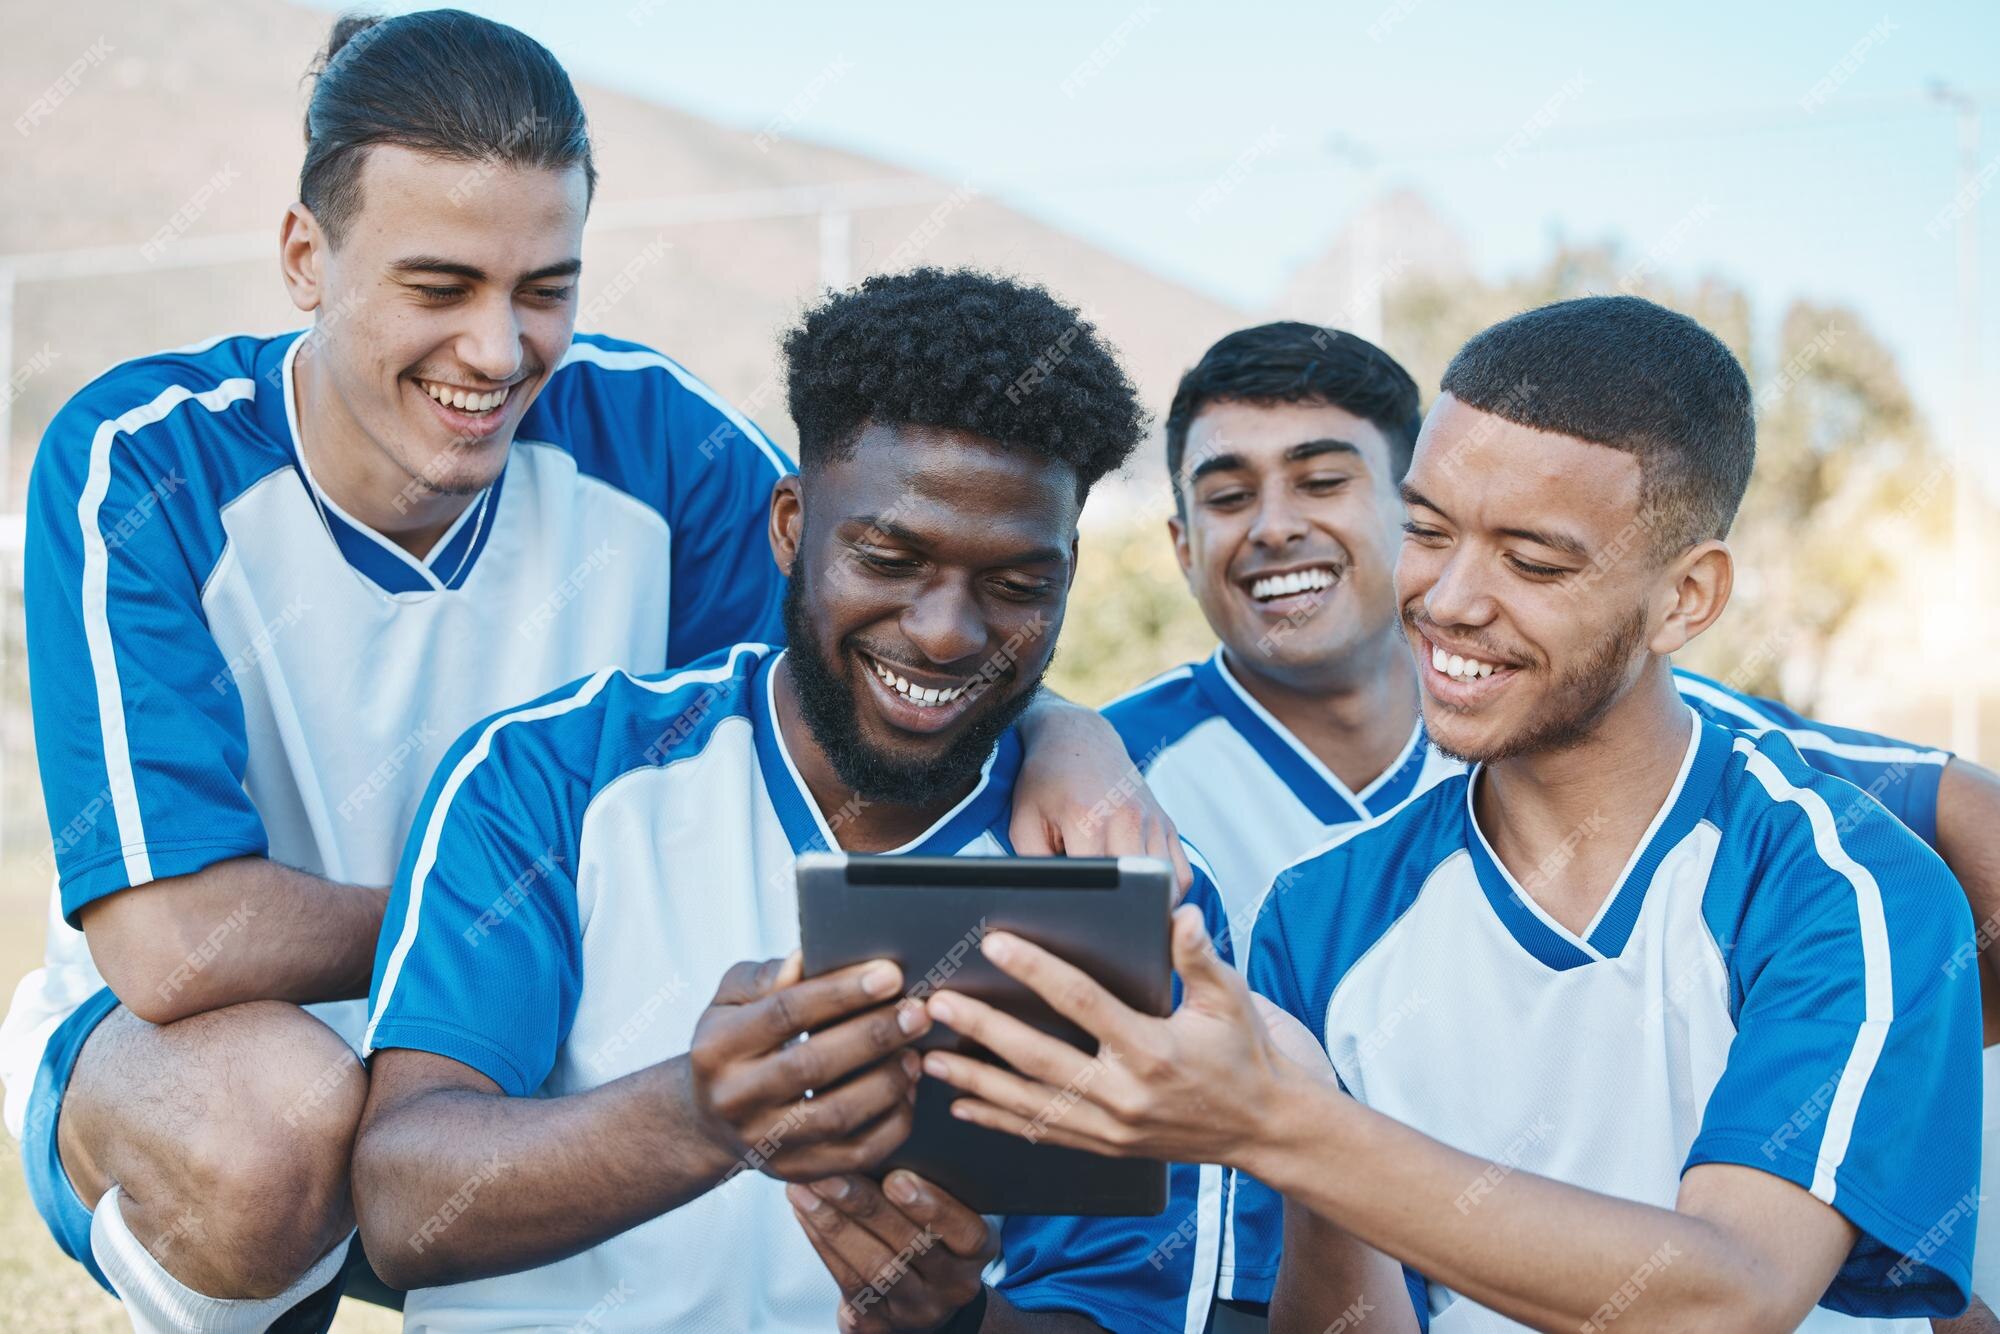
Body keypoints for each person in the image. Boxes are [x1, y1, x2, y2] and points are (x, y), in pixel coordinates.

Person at [0, 15, 1180, 1331]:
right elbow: (174, 944)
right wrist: (515, 909)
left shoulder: (654, 440)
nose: (498, 351)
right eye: (439, 287)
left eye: (542, 288)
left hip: (525, 1044)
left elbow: (885, 608)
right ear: (304, 259)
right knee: (271, 1131)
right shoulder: (148, 458)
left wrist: (1073, 728)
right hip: (225, 1044)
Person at [919, 297, 1984, 1331]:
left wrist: (1286, 1121)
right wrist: (1305, 1147)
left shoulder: (1842, 880)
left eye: (1533, 561)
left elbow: (1728, 1292)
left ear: (1685, 598)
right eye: (1427, 530)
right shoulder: (1320, 908)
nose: (1450, 599)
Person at [351, 268, 1235, 1334]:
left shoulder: (1132, 892)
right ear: (788, 525)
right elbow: (403, 1201)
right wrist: (700, 1112)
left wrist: (954, 1321)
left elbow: (1121, 1313)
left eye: (1015, 582)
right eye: (888, 555)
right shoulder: (555, 775)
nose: (947, 630)